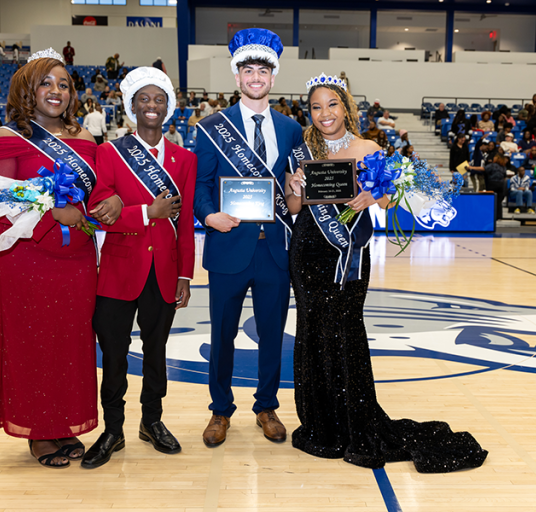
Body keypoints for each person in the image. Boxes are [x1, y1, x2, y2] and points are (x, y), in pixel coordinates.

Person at [284, 75, 487, 471]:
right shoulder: (303, 151)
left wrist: (370, 196)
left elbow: (391, 196)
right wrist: (293, 186)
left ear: (346, 107)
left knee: (345, 331)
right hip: (308, 253)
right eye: (315, 107)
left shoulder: (369, 148)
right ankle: (321, 424)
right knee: (312, 330)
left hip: (349, 257)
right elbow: (294, 209)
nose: (324, 114)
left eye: (331, 105)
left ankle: (355, 423)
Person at [0, 47, 122, 469]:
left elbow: (96, 191)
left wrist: (109, 198)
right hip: (23, 257)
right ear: (28, 88)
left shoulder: (85, 139)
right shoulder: (5, 138)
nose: (56, 91)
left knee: (69, 343)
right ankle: (37, 430)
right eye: (46, 83)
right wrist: (49, 205)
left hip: (75, 256)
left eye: (63, 84)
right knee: (30, 343)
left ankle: (62, 422)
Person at [81, 66, 196, 469]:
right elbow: (101, 211)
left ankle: (152, 421)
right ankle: (113, 429)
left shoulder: (185, 159)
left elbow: (183, 223)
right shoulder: (108, 152)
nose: (151, 105)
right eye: (144, 99)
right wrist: (148, 212)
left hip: (164, 272)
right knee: (113, 355)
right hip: (117, 271)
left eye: (159, 99)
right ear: (132, 107)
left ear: (169, 108)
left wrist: (185, 274)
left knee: (156, 353)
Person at [194, 29, 303, 447]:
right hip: (228, 244)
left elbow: (293, 191)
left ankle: (267, 405)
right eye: (247, 70)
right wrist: (209, 215)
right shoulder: (211, 127)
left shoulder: (291, 129)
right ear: (236, 77)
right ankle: (220, 410)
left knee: (272, 333)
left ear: (273, 78)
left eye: (263, 70)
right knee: (222, 334)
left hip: (274, 248)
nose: (255, 77)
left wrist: (296, 186)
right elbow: (201, 185)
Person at [485, 154, 508, 220]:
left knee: (491, 201)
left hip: (492, 184)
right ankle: (499, 216)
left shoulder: (492, 165)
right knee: (499, 202)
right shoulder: (503, 166)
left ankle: (491, 216)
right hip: (501, 185)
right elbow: (504, 176)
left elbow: (484, 169)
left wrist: (471, 168)